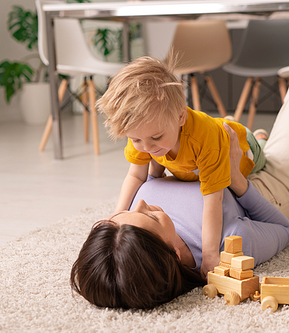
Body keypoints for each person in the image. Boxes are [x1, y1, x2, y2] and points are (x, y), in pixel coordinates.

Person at [71, 65, 289, 310]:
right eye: (151, 215)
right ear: (174, 252)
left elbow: (142, 175)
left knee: (239, 139)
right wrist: (237, 180)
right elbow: (285, 230)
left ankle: (256, 144)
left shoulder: (123, 239)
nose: (140, 204)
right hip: (255, 186)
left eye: (120, 217)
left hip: (203, 158)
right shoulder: (228, 243)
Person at [96, 56, 267, 277]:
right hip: (193, 163)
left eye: (156, 137)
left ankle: (261, 138)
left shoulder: (203, 140)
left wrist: (210, 254)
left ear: (180, 117)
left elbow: (213, 199)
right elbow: (136, 176)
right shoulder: (143, 131)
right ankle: (227, 122)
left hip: (245, 151)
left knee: (263, 156)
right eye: (136, 140)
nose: (145, 147)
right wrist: (117, 216)